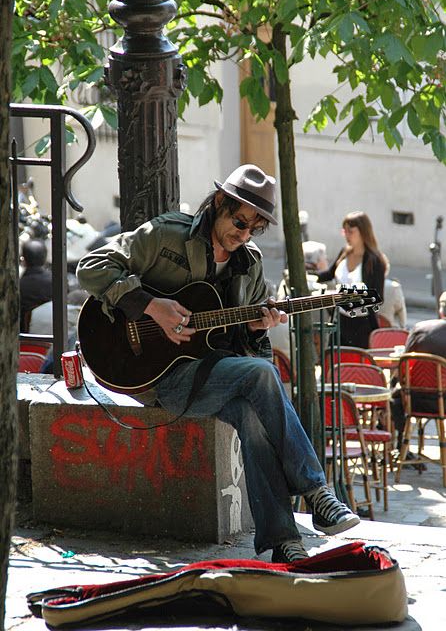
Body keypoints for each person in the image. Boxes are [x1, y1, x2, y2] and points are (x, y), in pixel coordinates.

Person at [77, 164, 360, 562]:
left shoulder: (251, 264)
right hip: (158, 378)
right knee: (263, 375)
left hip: (213, 375)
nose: (241, 234)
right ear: (218, 204)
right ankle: (316, 491)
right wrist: (150, 306)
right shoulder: (166, 236)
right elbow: (90, 267)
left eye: (251, 228)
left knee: (252, 416)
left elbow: (252, 355)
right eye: (237, 220)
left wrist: (259, 331)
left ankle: (282, 542)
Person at [316, 211, 386, 349]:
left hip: (362, 325)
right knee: (334, 364)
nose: (347, 235)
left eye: (351, 231)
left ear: (363, 231)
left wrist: (346, 298)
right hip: (340, 321)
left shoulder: (374, 260)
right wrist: (307, 275)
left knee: (358, 366)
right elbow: (329, 274)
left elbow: (378, 297)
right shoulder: (345, 252)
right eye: (345, 231)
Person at [391, 291, 446, 454]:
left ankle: (401, 447)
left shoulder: (421, 328)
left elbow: (403, 367)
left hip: (415, 400)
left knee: (395, 394)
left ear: (441, 311)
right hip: (445, 401)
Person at [19, 239, 52, 332]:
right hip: (55, 334)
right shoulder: (58, 282)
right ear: (45, 258)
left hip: (25, 337)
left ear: (24, 260)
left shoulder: (19, 286)